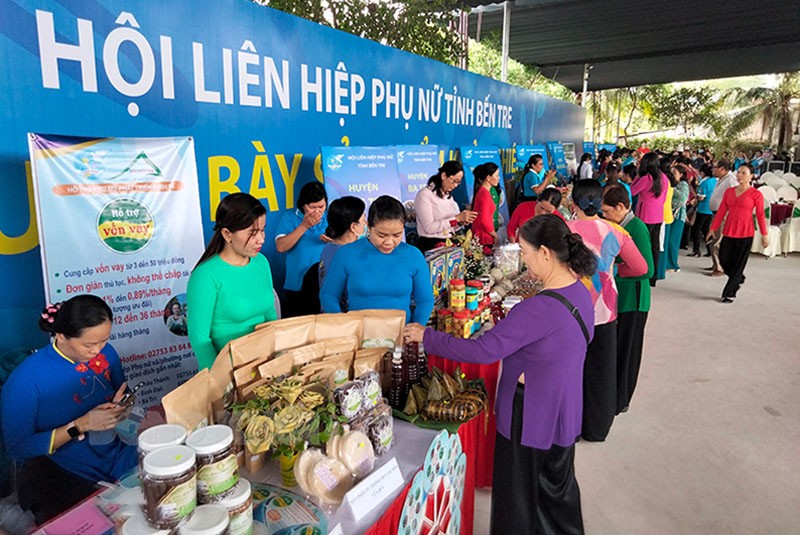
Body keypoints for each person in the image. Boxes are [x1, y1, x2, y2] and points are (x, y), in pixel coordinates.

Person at [403, 214, 597, 534]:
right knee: (555, 491)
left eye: (524, 251)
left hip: (530, 413)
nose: (523, 260)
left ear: (545, 253)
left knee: (519, 497)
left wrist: (427, 336)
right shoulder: (579, 291)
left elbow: (483, 351)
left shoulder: (536, 309)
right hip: (565, 406)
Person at [1, 295, 136, 523]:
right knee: (94, 523)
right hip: (60, 469)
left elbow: (120, 390)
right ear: (61, 337)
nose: (98, 351)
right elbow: (19, 447)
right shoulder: (25, 382)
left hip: (112, 450)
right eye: (89, 345)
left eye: (104, 340)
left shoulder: (107, 353)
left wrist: (124, 406)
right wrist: (81, 425)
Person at [568, 179, 648, 441]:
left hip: (570, 311)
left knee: (569, 371)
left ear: (573, 204)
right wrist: (613, 271)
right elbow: (641, 268)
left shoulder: (562, 230)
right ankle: (597, 427)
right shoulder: (617, 232)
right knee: (601, 371)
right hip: (604, 310)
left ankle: (569, 427)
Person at [187, 193, 277, 370]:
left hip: (264, 365)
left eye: (263, 230)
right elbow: (200, 340)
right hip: (228, 371)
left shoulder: (261, 262)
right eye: (253, 232)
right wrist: (219, 382)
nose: (261, 239)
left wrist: (277, 356)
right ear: (227, 234)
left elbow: (270, 316)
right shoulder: (205, 276)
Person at [320, 195, 434, 323]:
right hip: (358, 335)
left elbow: (425, 300)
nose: (389, 242)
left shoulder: (413, 256)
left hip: (400, 337)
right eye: (382, 235)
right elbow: (329, 295)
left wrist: (416, 327)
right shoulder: (347, 253)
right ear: (369, 227)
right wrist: (342, 325)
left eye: (397, 235)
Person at [601, 185, 654, 414]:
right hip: (621, 297)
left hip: (634, 299)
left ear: (621, 207)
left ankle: (622, 399)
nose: (604, 216)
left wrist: (615, 271)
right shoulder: (617, 226)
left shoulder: (636, 228)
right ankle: (615, 396)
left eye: (607, 211)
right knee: (618, 349)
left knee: (628, 351)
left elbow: (646, 270)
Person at [707, 164, 769, 303]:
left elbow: (760, 215)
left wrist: (765, 234)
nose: (740, 175)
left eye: (744, 173)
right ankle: (739, 277)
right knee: (724, 259)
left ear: (751, 176)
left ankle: (730, 292)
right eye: (739, 172)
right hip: (729, 230)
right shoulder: (729, 192)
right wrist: (713, 228)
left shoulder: (756, 194)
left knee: (738, 264)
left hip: (745, 233)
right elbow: (722, 211)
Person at [275, 182, 329, 317]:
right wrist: (304, 226)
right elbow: (281, 246)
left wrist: (334, 241)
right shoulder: (290, 218)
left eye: (321, 206)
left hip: (327, 286)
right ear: (303, 205)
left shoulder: (330, 217)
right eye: (312, 207)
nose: (317, 211)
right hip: (298, 288)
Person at [414, 161, 477, 252]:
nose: (455, 185)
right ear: (444, 176)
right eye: (454, 181)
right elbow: (429, 227)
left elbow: (451, 225)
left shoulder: (448, 196)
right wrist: (456, 219)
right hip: (431, 244)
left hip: (449, 240)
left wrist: (461, 222)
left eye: (458, 182)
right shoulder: (425, 195)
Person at [318, 196, 366, 310]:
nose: (366, 224)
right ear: (353, 227)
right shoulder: (345, 254)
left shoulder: (328, 248)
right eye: (364, 220)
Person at [630, 152, 668, 287]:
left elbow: (632, 191)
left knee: (643, 246)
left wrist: (637, 176)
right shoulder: (664, 178)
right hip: (658, 215)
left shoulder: (646, 178)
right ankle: (654, 276)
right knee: (655, 246)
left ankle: (644, 272)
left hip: (645, 215)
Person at [706, 159, 738, 276]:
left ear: (721, 168)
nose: (712, 169)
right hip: (716, 213)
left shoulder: (730, 180)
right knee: (713, 239)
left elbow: (736, 195)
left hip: (724, 214)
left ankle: (720, 268)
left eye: (714, 167)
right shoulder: (721, 179)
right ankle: (716, 264)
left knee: (718, 241)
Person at [664, 164, 690, 272]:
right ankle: (667, 263)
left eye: (675, 173)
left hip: (678, 216)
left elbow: (682, 198)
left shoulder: (683, 185)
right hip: (670, 214)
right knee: (668, 239)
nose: (672, 175)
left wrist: (671, 189)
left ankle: (673, 265)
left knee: (672, 241)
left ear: (681, 175)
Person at [471, 162, 501, 250]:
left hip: (480, 234)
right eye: (496, 175)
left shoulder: (482, 191)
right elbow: (484, 219)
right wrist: (494, 234)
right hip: (484, 237)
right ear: (488, 178)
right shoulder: (485, 195)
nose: (498, 178)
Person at [689, 164, 717, 257]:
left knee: (696, 229)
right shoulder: (714, 181)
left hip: (703, 208)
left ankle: (696, 249)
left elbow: (701, 197)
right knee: (706, 230)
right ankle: (710, 250)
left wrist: (695, 195)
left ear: (702, 173)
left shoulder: (704, 183)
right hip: (711, 209)